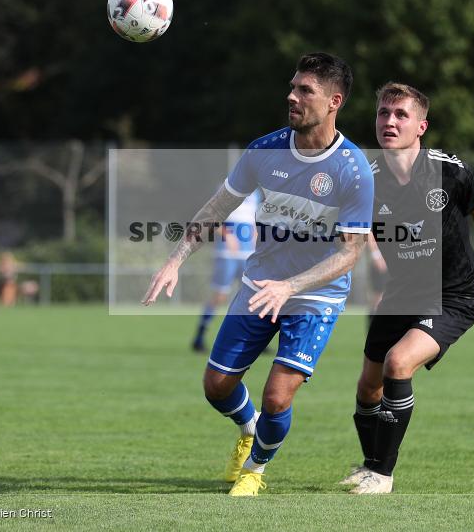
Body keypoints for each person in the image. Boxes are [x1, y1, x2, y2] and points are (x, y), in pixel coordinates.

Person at [143, 53, 374, 496]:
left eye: (305, 90)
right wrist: (175, 260)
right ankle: (250, 429)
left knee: (276, 397)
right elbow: (217, 208)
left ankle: (255, 467)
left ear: (334, 102)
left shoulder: (354, 168)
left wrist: (291, 286)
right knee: (216, 385)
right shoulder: (263, 150)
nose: (292, 95)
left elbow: (349, 254)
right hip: (258, 284)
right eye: (292, 86)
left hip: (315, 297)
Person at [341, 82, 474, 494]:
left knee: (399, 362)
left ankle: (383, 474)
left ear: (421, 126)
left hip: (454, 295)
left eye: (400, 115)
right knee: (368, 386)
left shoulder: (449, 171)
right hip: (401, 291)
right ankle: (369, 465)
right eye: (383, 113)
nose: (389, 122)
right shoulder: (366, 177)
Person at [192, 191, 259, 352]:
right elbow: (212, 217)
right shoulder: (229, 188)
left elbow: (256, 221)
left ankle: (255, 341)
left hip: (248, 255)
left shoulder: (256, 195)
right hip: (227, 254)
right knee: (220, 296)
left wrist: (257, 241)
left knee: (253, 297)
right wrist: (227, 235)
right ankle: (199, 336)